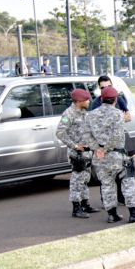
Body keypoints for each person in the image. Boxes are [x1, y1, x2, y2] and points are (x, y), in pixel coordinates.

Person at [86, 86, 135, 223]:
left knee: (106, 185)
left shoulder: (91, 115)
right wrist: (105, 149)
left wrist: (97, 149)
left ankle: (112, 214)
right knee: (127, 182)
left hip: (99, 158)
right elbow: (117, 137)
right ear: (115, 99)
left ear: (101, 99)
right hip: (116, 155)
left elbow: (86, 136)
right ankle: (134, 213)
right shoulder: (117, 114)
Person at [55, 88, 101, 219]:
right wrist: (74, 146)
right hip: (77, 154)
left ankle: (85, 203)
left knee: (85, 179)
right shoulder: (69, 114)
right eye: (86, 100)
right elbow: (60, 133)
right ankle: (76, 207)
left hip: (86, 152)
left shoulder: (83, 112)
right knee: (76, 180)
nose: (89, 101)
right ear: (79, 101)